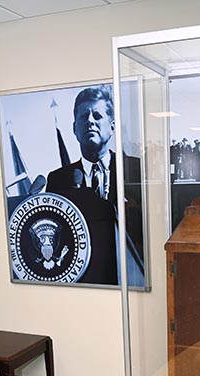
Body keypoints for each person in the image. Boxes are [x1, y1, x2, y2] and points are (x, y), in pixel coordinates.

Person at [46, 85, 143, 286]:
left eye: (97, 116)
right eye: (83, 117)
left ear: (113, 125)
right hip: (83, 281)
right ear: (74, 128)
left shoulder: (136, 169)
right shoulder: (58, 180)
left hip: (131, 276)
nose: (90, 121)